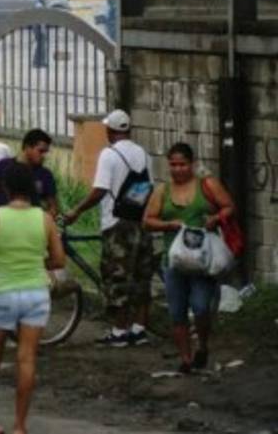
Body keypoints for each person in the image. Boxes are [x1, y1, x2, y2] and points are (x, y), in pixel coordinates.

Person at [0, 162, 65, 434]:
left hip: (1, 291)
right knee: (27, 359)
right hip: (35, 293)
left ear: (6, 188)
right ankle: (20, 425)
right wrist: (37, 263)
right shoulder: (44, 219)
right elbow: (59, 259)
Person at [63, 110, 155, 347]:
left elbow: (100, 190)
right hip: (140, 221)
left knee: (117, 277)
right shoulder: (144, 154)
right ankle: (139, 329)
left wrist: (76, 211)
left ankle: (119, 331)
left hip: (116, 224)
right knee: (141, 276)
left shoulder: (109, 155)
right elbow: (150, 187)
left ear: (110, 131)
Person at [143, 143, 236, 373]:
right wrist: (168, 224)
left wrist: (215, 218)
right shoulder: (162, 191)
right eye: (173, 165)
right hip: (174, 261)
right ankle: (186, 359)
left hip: (202, 263)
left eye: (182, 164)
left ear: (192, 164)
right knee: (177, 312)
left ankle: (202, 345)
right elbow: (147, 220)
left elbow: (229, 206)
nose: (178, 169)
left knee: (201, 307)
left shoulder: (207, 185)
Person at [0, 128, 58, 219]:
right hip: (4, 225)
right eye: (41, 151)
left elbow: (53, 207)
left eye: (46, 152)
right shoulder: (3, 166)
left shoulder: (45, 175)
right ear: (28, 147)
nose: (44, 156)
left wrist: (42, 223)